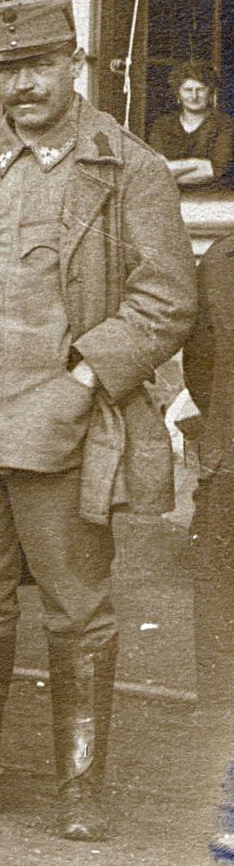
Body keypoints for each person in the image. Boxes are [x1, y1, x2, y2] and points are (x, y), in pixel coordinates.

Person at [0, 0, 195, 841]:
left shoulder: (131, 170)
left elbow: (166, 301)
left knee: (75, 605)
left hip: (61, 423)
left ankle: (80, 787)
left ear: (72, 66)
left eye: (38, 67)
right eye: (8, 70)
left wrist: (84, 381)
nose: (21, 86)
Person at [185, 235, 234, 715]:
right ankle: (220, 701)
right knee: (220, 574)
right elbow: (199, 362)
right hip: (231, 450)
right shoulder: (222, 260)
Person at [148, 61, 234, 191]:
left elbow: (214, 171)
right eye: (188, 90)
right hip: (168, 197)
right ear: (178, 94)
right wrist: (196, 165)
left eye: (200, 90)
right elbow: (155, 169)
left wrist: (170, 170)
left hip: (214, 200)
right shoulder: (162, 125)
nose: (194, 96)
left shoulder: (225, 125)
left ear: (210, 93)